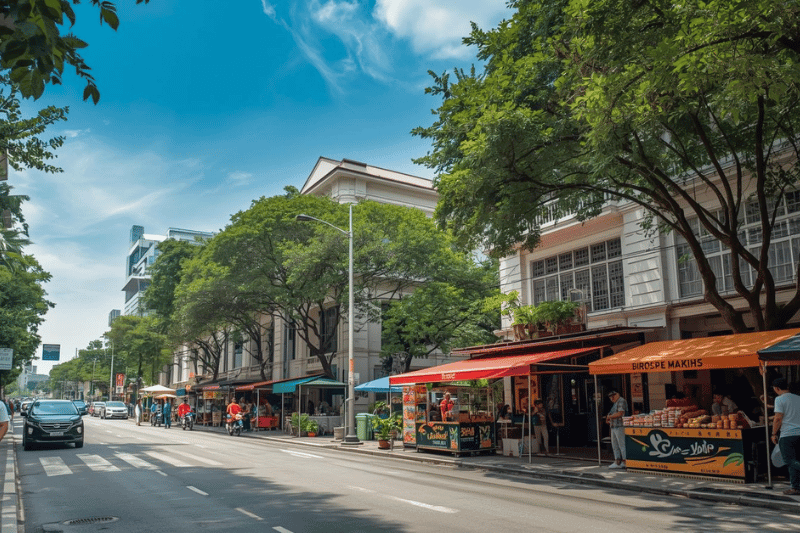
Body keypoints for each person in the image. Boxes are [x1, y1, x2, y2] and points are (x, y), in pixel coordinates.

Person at [772, 377, 800, 495]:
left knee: (789, 461)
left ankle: (795, 487)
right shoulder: (798, 398)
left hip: (788, 435)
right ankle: (795, 487)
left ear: (777, 388)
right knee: (795, 460)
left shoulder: (779, 399)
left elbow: (778, 418)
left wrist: (773, 433)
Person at [606, 389, 628, 469]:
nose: (611, 399)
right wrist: (609, 418)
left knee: (621, 444)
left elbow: (620, 413)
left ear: (616, 394)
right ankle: (617, 462)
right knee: (615, 445)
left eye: (612, 396)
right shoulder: (616, 403)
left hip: (620, 425)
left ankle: (625, 462)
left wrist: (609, 417)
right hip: (614, 426)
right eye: (610, 397)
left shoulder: (621, 401)